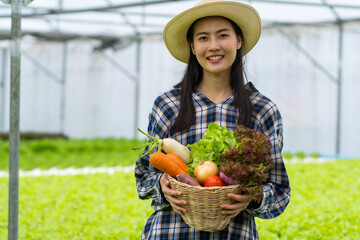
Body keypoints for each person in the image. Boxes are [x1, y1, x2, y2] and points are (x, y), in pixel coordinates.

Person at [135, 0, 291, 239]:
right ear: (192, 45)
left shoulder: (263, 110)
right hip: (169, 232)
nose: (214, 46)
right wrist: (162, 186)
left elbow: (279, 191)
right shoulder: (167, 105)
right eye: (203, 38)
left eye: (223, 35)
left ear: (239, 41)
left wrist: (251, 197)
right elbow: (143, 176)